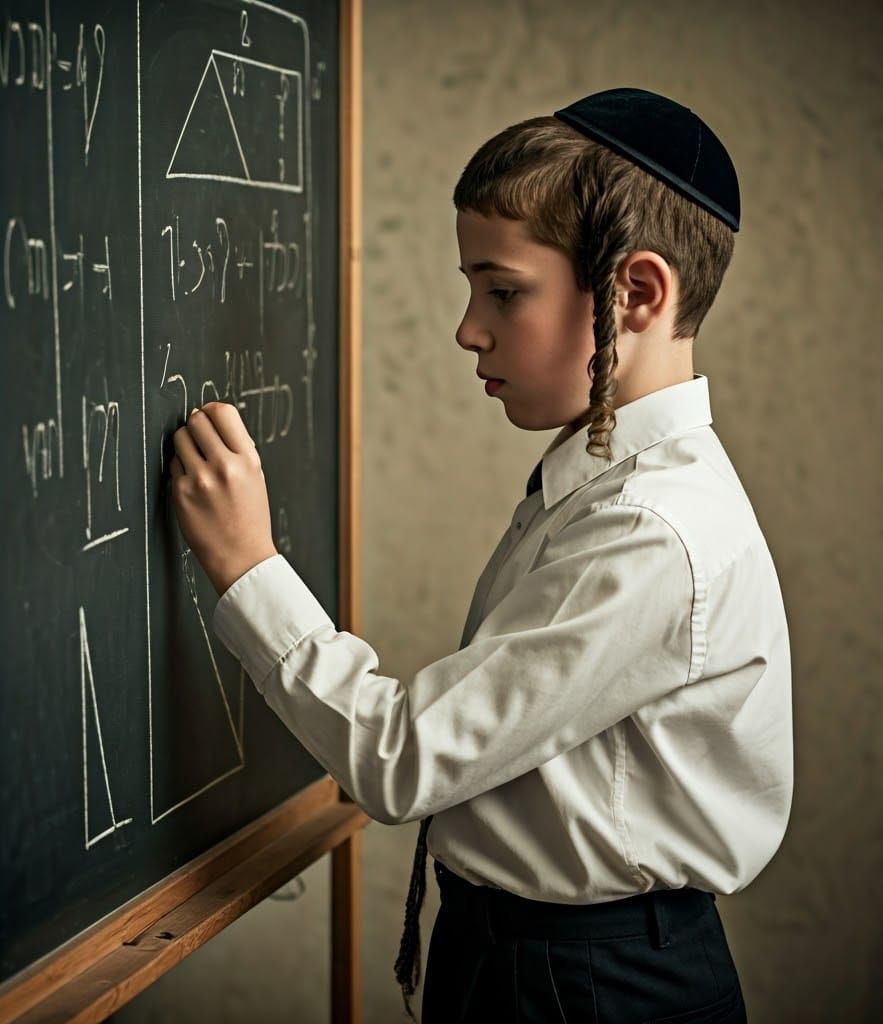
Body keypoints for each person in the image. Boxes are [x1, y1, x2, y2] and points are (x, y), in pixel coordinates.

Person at [168, 87, 792, 1023]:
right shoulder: (599, 484)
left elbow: (403, 759)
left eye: (503, 291)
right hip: (530, 956)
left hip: (593, 987)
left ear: (637, 292)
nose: (470, 327)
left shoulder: (654, 530)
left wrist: (247, 568)